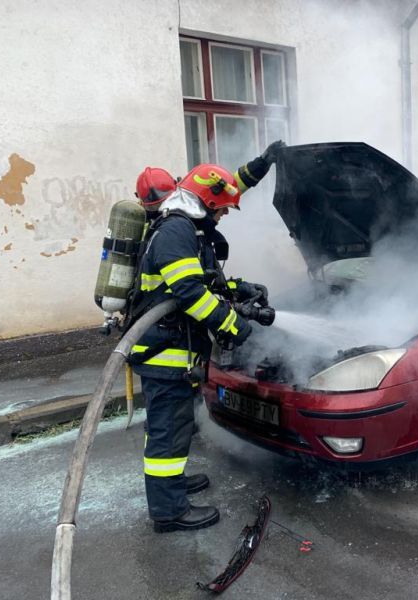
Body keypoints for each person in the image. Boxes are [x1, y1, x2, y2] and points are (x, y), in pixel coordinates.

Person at [129, 142, 283, 532]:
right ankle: (168, 512)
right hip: (165, 355)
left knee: (175, 427)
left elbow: (204, 281)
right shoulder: (177, 231)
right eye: (221, 208)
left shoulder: (187, 225)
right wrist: (233, 325)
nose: (223, 215)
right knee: (167, 430)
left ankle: (172, 486)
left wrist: (240, 289)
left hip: (174, 350)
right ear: (206, 203)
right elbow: (190, 293)